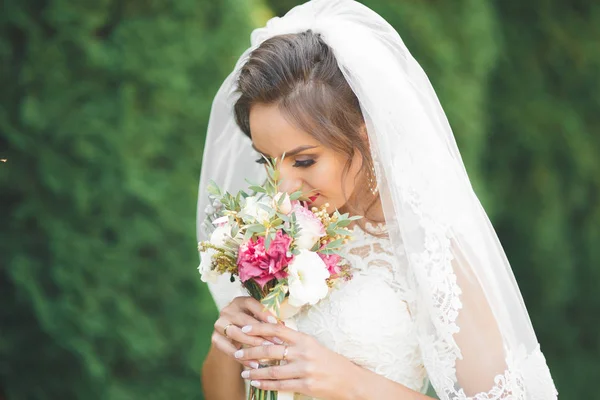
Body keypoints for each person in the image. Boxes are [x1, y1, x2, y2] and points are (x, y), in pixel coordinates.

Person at [197, 1, 558, 399]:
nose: (282, 189)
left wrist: (349, 382)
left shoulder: (433, 252)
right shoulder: (277, 235)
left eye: (304, 160)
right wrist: (229, 342)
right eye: (268, 161)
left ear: (365, 134)